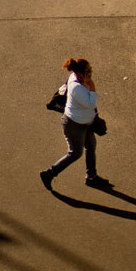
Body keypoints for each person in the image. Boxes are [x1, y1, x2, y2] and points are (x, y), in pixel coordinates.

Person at [40, 58, 110, 190]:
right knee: (75, 153)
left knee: (91, 145)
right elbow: (90, 104)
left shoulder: (78, 79)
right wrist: (92, 86)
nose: (90, 73)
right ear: (79, 74)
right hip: (74, 126)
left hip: (85, 123)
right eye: (87, 71)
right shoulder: (77, 88)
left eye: (91, 70)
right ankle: (49, 173)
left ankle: (91, 177)